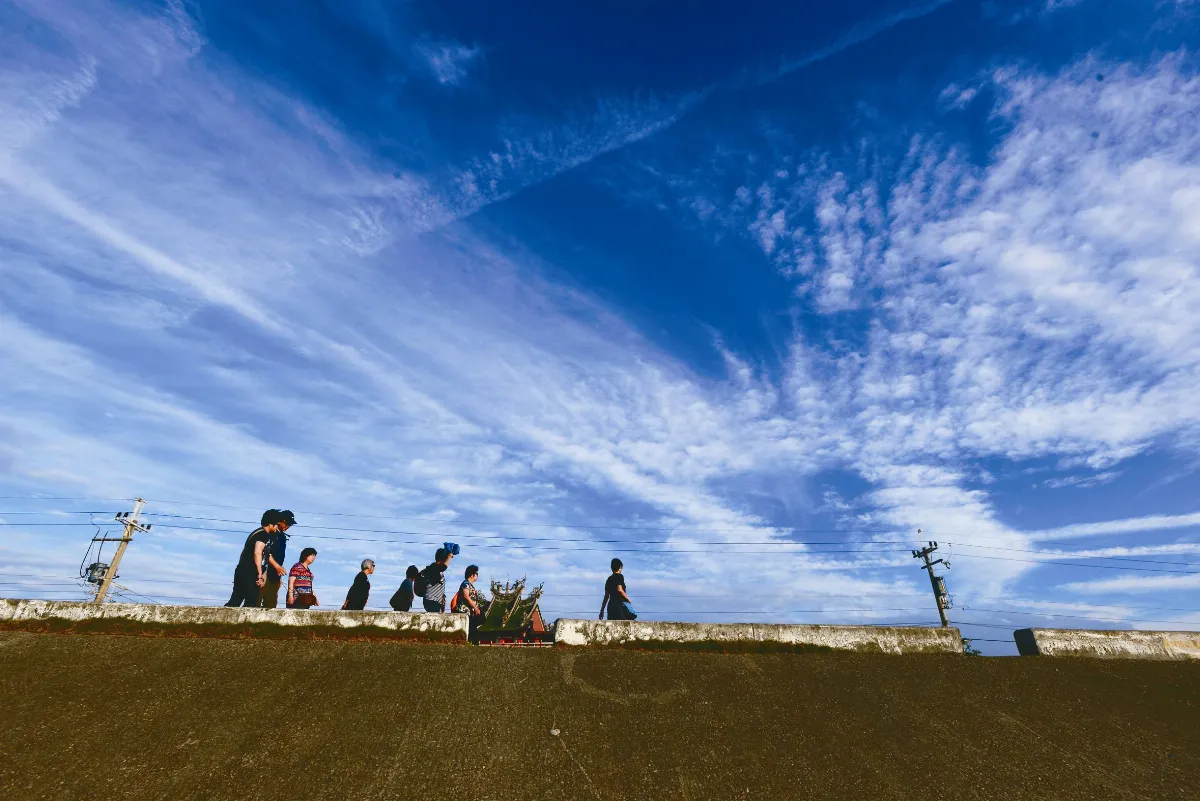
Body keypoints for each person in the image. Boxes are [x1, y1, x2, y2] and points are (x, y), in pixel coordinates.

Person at [225, 509, 291, 607]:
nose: (277, 527)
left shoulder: (259, 533)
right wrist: (260, 573)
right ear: (271, 524)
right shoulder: (262, 534)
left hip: (243, 570)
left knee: (237, 600)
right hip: (249, 571)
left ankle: (227, 620)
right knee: (251, 601)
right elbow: (258, 552)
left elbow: (265, 554)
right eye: (276, 525)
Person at [258, 510, 297, 608]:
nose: (288, 526)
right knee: (256, 600)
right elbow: (265, 552)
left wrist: (278, 574)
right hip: (264, 570)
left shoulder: (282, 537)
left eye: (290, 524)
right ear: (280, 521)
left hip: (274, 574)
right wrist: (276, 566)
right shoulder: (270, 533)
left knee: (271, 604)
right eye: (287, 523)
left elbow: (279, 556)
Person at [452, 564, 486, 639]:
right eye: (476, 574)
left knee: (474, 629)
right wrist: (475, 608)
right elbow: (466, 597)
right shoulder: (465, 584)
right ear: (471, 575)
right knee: (472, 632)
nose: (477, 576)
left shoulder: (470, 585)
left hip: (470, 612)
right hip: (464, 611)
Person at [418, 547, 453, 613]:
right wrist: (449, 556)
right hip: (431, 601)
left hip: (435, 602)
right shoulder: (434, 567)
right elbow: (444, 567)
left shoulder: (437, 570)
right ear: (443, 559)